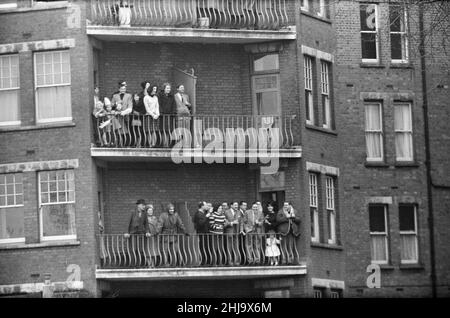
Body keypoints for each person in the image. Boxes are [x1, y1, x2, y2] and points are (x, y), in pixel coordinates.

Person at [124, 199, 151, 267]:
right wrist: (126, 232)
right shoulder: (132, 212)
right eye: (142, 205)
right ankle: (133, 265)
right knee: (133, 249)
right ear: (138, 205)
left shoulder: (144, 213)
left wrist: (147, 232)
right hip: (132, 234)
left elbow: (146, 224)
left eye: (144, 205)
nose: (144, 206)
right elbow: (128, 223)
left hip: (141, 233)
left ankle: (138, 265)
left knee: (139, 249)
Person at [111, 83, 133, 147]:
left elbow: (130, 104)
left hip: (126, 115)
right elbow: (111, 105)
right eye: (122, 89)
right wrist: (116, 104)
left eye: (124, 89)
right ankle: (119, 144)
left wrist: (125, 112)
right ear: (119, 89)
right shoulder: (115, 96)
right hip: (118, 116)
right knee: (118, 130)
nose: (123, 90)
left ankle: (127, 144)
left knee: (127, 130)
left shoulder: (129, 95)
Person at [224, 201, 241, 266]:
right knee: (229, 247)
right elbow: (224, 223)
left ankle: (236, 261)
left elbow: (241, 222)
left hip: (236, 232)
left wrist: (241, 230)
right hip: (229, 232)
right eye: (235, 205)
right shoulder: (226, 212)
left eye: (237, 205)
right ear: (231, 206)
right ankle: (230, 261)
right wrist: (231, 223)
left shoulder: (239, 212)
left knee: (236, 247)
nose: (237, 206)